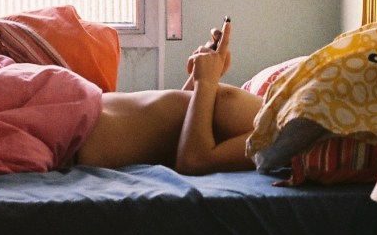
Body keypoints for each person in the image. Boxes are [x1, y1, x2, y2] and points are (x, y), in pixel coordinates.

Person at [76, 18, 263, 174]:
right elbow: (170, 122)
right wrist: (201, 75)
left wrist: (206, 83)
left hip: (84, 132)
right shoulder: (274, 110)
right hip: (83, 103)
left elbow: (194, 161)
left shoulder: (278, 134)